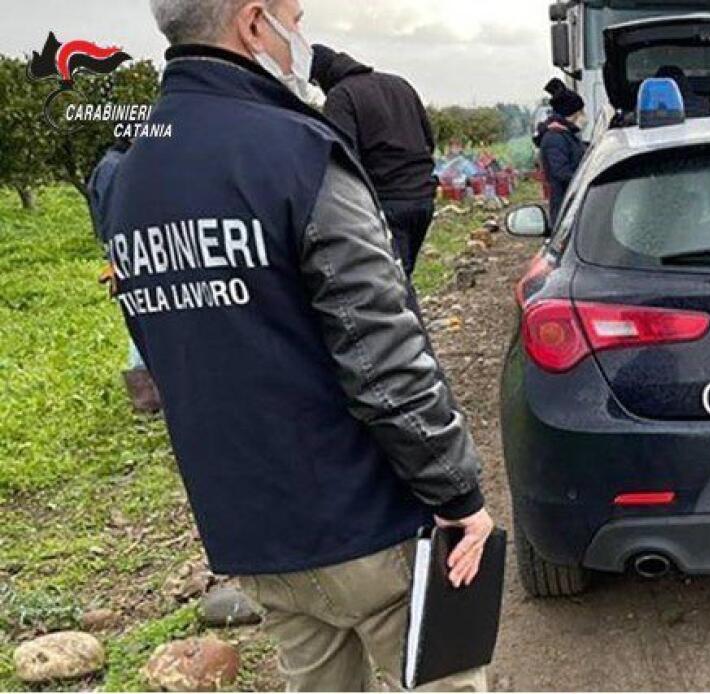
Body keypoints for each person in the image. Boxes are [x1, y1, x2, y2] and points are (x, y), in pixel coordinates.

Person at [105, 1, 494, 690]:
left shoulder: (127, 177)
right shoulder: (298, 152)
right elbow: (383, 352)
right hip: (367, 523)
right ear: (255, 23)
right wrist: (458, 492)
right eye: (294, 16)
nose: (299, 38)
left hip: (253, 533)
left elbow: (166, 351)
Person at [311, 45, 437, 278]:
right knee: (403, 276)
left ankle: (410, 313)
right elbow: (429, 140)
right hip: (423, 198)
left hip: (387, 202)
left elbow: (344, 159)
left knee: (393, 284)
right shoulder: (399, 84)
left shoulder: (341, 96)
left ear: (320, 76)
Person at [87, 138, 162, 415]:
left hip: (126, 248)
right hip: (130, 250)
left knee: (142, 309)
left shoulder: (110, 165)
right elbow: (114, 213)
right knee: (143, 310)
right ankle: (146, 393)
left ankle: (147, 391)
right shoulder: (116, 168)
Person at [534, 78, 587, 223]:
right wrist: (586, 180)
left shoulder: (565, 135)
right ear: (572, 114)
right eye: (581, 111)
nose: (584, 116)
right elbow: (561, 172)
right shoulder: (555, 139)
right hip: (564, 206)